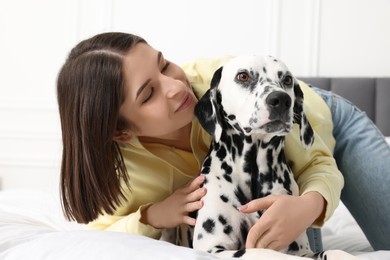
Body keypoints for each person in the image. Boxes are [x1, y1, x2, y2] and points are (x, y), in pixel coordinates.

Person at [56, 32, 390, 252]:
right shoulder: (124, 171)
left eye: (164, 65)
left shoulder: (223, 83)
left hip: (317, 121)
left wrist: (309, 205)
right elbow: (95, 238)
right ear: (121, 132)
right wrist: (151, 215)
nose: (175, 86)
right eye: (149, 94)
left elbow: (315, 162)